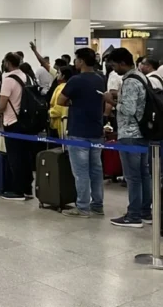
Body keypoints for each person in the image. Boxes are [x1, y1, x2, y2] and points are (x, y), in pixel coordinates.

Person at [104, 48, 151, 228]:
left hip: (130, 134)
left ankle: (134, 215)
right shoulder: (141, 77)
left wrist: (111, 101)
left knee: (133, 177)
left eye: (114, 65)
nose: (114, 69)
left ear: (122, 63)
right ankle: (145, 212)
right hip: (142, 133)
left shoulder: (130, 81)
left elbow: (128, 110)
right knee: (143, 174)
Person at [58, 48, 106, 218]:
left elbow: (60, 100)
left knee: (81, 172)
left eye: (76, 59)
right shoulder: (100, 79)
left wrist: (74, 102)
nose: (75, 62)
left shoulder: (76, 80)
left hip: (79, 129)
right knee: (96, 170)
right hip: (96, 129)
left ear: (82, 61)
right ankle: (97, 205)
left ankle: (83, 207)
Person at [0, 52, 32, 201]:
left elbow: (2, 105)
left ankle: (17, 191)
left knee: (15, 157)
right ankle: (27, 188)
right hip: (26, 121)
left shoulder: (8, 79)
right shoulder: (25, 76)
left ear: (7, 63)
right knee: (25, 156)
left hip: (12, 121)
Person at [48, 67, 72, 138]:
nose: (57, 75)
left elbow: (59, 108)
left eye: (58, 73)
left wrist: (50, 112)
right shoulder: (68, 87)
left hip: (59, 123)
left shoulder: (61, 88)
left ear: (63, 76)